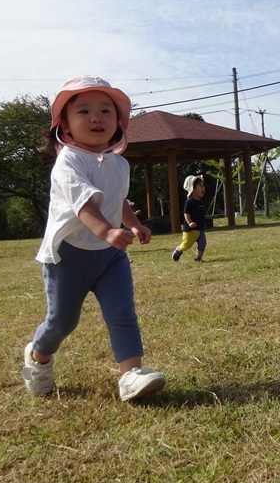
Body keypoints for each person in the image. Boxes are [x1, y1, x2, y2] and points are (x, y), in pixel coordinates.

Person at [23, 75, 166, 402]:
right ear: (65, 125)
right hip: (68, 257)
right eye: (84, 111)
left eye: (105, 111)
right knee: (62, 322)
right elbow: (84, 204)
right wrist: (108, 230)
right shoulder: (68, 160)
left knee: (122, 313)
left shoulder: (119, 163)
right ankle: (38, 357)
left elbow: (117, 199)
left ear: (118, 122)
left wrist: (133, 224)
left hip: (110, 256)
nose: (96, 118)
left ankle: (130, 374)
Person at [172, 175, 207, 262]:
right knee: (186, 245)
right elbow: (186, 213)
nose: (203, 188)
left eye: (203, 185)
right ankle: (179, 250)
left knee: (203, 243)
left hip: (200, 228)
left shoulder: (200, 201)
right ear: (193, 189)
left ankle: (198, 258)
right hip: (190, 230)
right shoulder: (189, 201)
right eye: (200, 186)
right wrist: (190, 222)